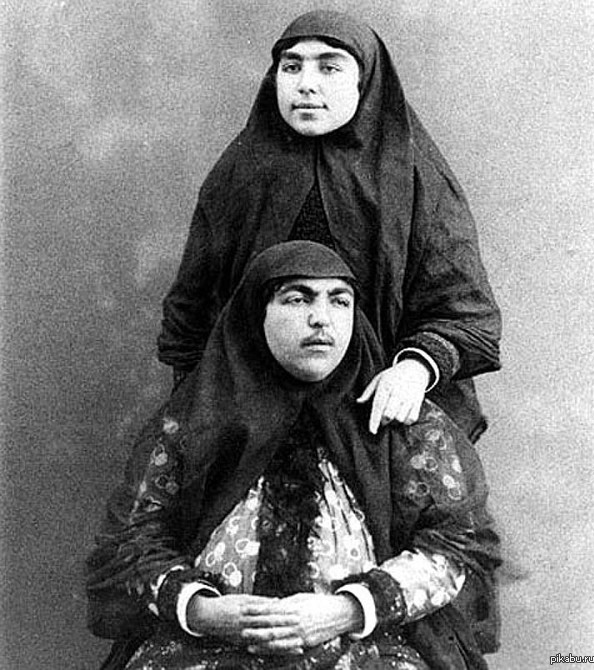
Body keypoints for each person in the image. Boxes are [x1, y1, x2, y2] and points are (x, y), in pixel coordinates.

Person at [87, 241, 501, 670]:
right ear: (256, 313)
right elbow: (132, 540)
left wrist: (350, 609)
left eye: (339, 301)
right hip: (206, 649)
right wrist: (200, 610)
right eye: (298, 299)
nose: (321, 317)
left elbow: (457, 547)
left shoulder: (401, 421)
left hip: (365, 649)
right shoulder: (196, 418)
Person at [157, 10, 501, 442]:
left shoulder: (417, 180)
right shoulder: (237, 177)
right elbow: (191, 313)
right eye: (292, 67)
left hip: (379, 409)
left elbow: (467, 313)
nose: (306, 84)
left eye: (329, 67)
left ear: (365, 80)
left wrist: (414, 370)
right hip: (253, 414)